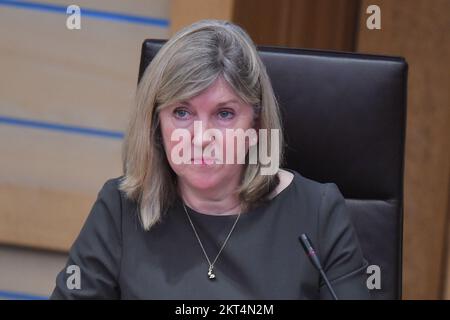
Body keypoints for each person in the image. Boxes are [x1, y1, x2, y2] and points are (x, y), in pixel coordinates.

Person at [50, 19, 370, 300]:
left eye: (224, 114)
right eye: (182, 112)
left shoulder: (318, 212)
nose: (202, 138)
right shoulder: (120, 209)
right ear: (156, 124)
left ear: (256, 126)